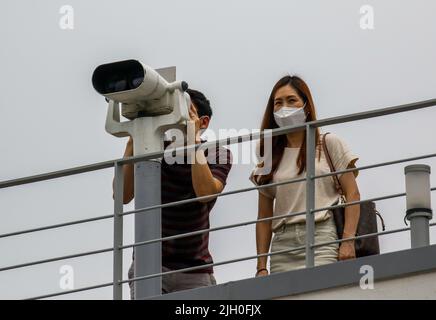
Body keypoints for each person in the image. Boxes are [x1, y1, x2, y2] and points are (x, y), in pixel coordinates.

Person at [113, 89, 232, 298]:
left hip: (195, 269)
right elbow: (122, 196)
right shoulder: (155, 149)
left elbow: (205, 192)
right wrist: (135, 136)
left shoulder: (216, 152)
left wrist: (193, 141)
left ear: (203, 122)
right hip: (150, 263)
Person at [249, 75, 360, 277]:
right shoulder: (269, 153)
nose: (284, 108)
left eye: (292, 100)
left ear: (306, 106)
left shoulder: (329, 143)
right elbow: (264, 217)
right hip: (282, 245)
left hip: (322, 237)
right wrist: (261, 266)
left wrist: (348, 241)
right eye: (278, 103)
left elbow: (353, 194)